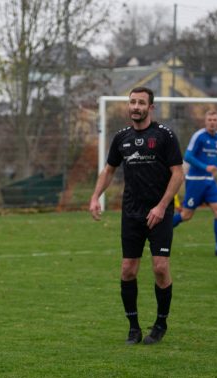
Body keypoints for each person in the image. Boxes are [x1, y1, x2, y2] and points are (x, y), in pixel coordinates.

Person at [88, 86, 184, 346]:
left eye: (141, 102)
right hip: (131, 212)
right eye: (132, 102)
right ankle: (133, 328)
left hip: (160, 211)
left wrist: (163, 206)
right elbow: (108, 171)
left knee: (160, 268)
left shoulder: (164, 136)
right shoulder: (121, 138)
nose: (136, 107)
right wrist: (96, 196)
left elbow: (178, 173)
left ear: (151, 107)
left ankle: (161, 323)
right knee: (128, 270)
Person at [173, 110, 217, 256]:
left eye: (215, 119)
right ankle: (160, 231)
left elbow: (214, 158)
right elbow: (188, 156)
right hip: (195, 181)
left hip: (209, 181)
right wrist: (205, 167)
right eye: (209, 120)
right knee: (186, 215)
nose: (212, 122)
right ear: (205, 122)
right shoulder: (199, 136)